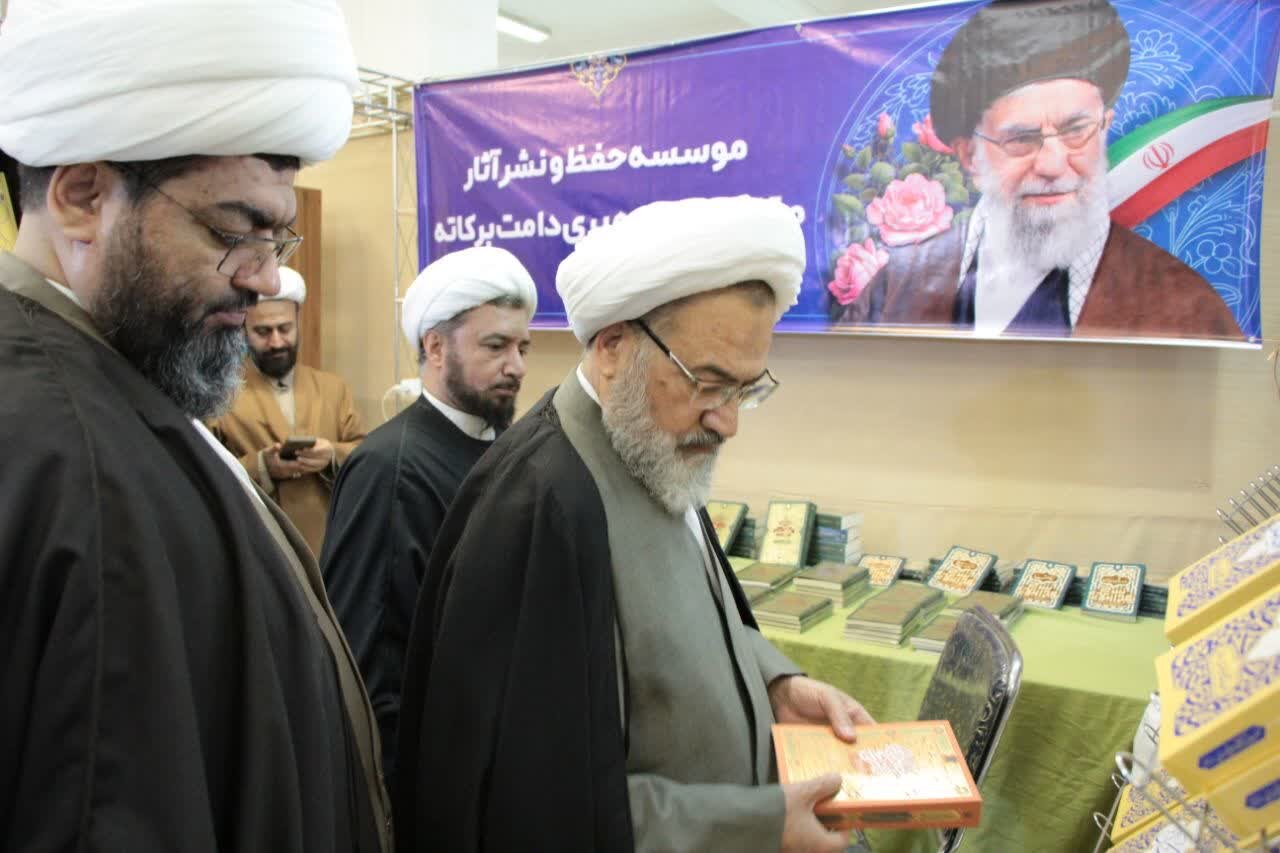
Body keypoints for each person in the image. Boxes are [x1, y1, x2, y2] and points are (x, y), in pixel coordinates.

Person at [0, 1, 390, 850]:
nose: (264, 280)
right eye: (234, 231)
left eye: (278, 239)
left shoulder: (120, 394)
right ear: (82, 198)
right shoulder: (71, 452)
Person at [395, 196, 873, 853]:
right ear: (615, 347)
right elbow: (539, 806)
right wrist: (757, 824)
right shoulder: (544, 505)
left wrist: (775, 686)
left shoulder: (653, 444)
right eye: (707, 383)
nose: (728, 420)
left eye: (745, 389)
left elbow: (682, 626)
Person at [831, 0, 1243, 341]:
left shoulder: (1187, 307)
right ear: (971, 157)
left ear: (1105, 127)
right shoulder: (895, 287)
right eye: (1022, 139)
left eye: (1077, 131)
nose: (1053, 164)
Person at [321, 245, 535, 786]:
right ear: (435, 347)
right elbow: (369, 670)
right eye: (496, 346)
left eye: (522, 347)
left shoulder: (505, 445)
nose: (516, 366)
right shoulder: (390, 469)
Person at [210, 265, 366, 556]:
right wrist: (262, 467)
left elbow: (367, 457)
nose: (276, 342)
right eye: (263, 332)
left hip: (330, 548)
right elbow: (206, 476)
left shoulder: (333, 389)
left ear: (298, 323)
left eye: (284, 329)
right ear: (243, 330)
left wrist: (331, 454)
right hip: (259, 547)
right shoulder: (220, 396)